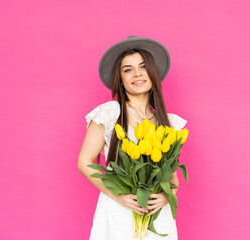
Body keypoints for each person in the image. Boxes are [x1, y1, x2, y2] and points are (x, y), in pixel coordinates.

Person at [78, 36, 187, 240]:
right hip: (118, 209)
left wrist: (165, 197)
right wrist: (118, 196)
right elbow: (84, 162)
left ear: (152, 73)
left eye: (143, 67)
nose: (137, 74)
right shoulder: (110, 112)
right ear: (120, 79)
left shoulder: (167, 122)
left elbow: (173, 176)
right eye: (128, 69)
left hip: (156, 216)